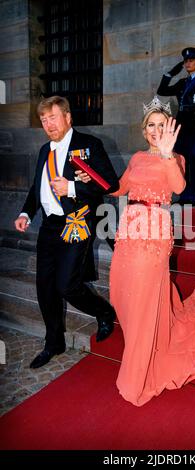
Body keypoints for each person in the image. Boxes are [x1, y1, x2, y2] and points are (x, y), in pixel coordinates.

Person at [77, 97, 195, 407]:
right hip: (129, 230)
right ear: (145, 131)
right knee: (120, 294)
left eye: (162, 125)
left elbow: (178, 187)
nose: (157, 130)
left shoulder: (176, 158)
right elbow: (118, 189)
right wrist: (90, 178)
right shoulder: (136, 158)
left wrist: (168, 154)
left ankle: (137, 372)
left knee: (144, 299)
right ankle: (142, 345)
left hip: (154, 232)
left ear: (170, 128)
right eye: (152, 125)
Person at [14, 96, 120, 369]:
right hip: (49, 225)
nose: (48, 124)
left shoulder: (89, 145)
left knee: (67, 285)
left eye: (53, 117)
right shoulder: (43, 151)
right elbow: (36, 189)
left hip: (77, 220)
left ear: (68, 118)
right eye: (43, 119)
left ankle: (104, 311)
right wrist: (26, 213)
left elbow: (109, 183)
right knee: (45, 287)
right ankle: (54, 341)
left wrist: (72, 188)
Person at [157, 46, 195, 205]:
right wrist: (170, 74)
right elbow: (161, 90)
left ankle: (192, 198)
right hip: (181, 128)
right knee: (181, 162)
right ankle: (183, 196)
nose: (187, 63)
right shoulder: (183, 82)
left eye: (191, 60)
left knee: (194, 162)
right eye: (185, 61)